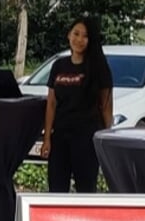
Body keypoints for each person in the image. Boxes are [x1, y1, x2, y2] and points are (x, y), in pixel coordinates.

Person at [37, 16, 114, 193]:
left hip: (86, 139)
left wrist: (105, 138)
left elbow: (106, 106)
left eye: (85, 36)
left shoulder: (98, 68)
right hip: (61, 137)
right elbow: (51, 103)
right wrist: (47, 138)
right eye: (76, 34)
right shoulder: (58, 65)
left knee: (86, 190)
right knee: (56, 189)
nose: (79, 39)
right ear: (68, 35)